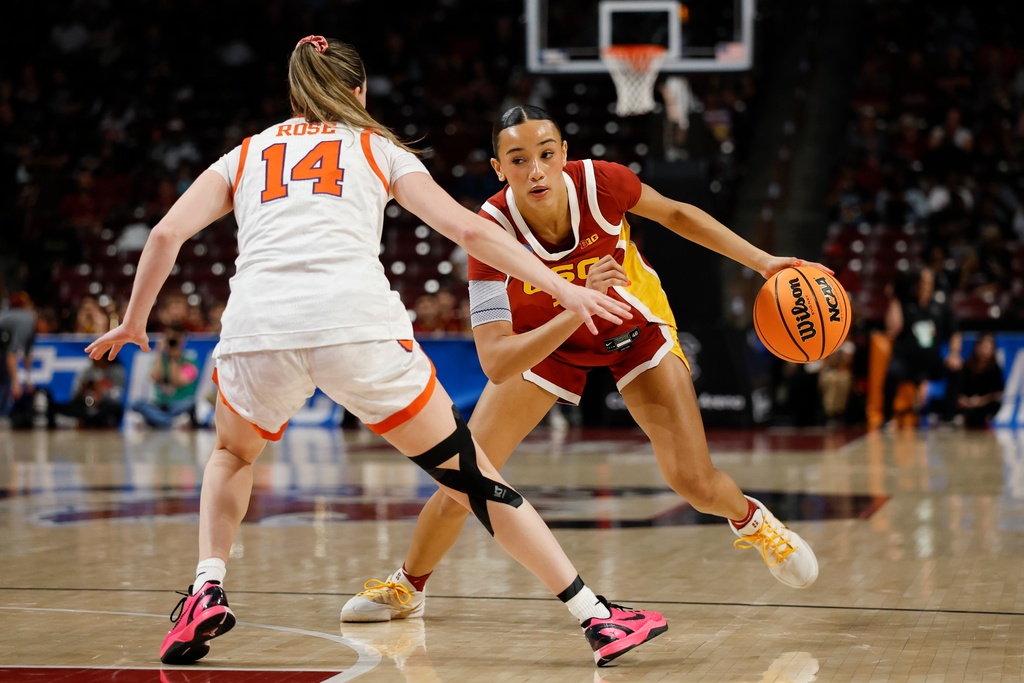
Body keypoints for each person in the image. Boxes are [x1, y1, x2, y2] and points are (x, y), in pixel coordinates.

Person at [86, 36, 660, 669]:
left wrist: (134, 321)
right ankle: (597, 619)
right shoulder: (375, 146)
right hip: (354, 326)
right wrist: (563, 289)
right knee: (469, 475)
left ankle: (206, 587)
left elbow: (167, 232)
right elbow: (469, 228)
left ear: (296, 92)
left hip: (259, 328)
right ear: (359, 92)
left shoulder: (247, 152)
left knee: (230, 454)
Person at [341, 105, 822, 625]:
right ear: (499, 168)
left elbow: (678, 215)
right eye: (519, 160)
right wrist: (575, 305)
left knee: (695, 483)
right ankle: (408, 587)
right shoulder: (488, 234)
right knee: (464, 479)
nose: (536, 170)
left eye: (547, 155)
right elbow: (497, 362)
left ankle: (751, 519)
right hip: (548, 343)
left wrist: (764, 262)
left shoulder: (603, 183)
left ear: (565, 154)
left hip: (632, 327)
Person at [883, 266, 962, 426]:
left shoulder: (940, 306)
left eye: (929, 282)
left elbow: (955, 332)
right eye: (922, 282)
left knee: (955, 369)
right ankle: (888, 418)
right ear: (915, 284)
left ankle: (947, 417)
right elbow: (892, 329)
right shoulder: (905, 303)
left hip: (931, 362)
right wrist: (894, 299)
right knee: (892, 373)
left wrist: (954, 354)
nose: (925, 286)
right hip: (907, 362)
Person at [129, 325, 200, 428]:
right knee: (136, 403)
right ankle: (171, 422)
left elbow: (178, 382)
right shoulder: (160, 359)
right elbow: (154, 377)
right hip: (159, 403)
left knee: (191, 403)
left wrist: (174, 358)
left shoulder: (190, 361)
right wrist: (159, 352)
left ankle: (156, 421)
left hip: (178, 403)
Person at [957, 332, 1004, 429]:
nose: (984, 351)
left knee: (994, 405)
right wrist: (965, 401)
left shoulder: (995, 369)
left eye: (988, 348)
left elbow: (996, 394)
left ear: (993, 350)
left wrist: (977, 402)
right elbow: (958, 389)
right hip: (965, 406)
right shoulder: (966, 366)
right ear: (976, 347)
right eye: (982, 346)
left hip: (984, 406)